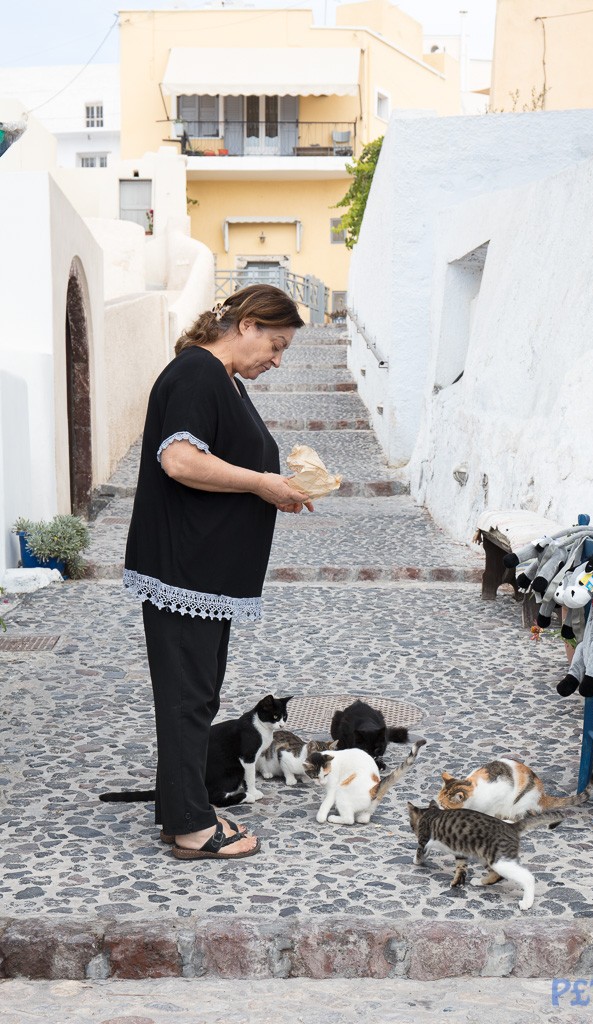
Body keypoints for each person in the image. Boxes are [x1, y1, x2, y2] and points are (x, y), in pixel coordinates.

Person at [123, 284, 313, 860]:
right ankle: (191, 829)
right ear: (248, 324)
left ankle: (182, 812)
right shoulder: (197, 374)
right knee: (187, 699)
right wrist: (261, 483)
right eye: (276, 345)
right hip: (186, 570)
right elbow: (178, 459)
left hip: (202, 575)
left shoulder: (217, 377)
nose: (277, 360)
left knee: (194, 697)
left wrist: (276, 487)